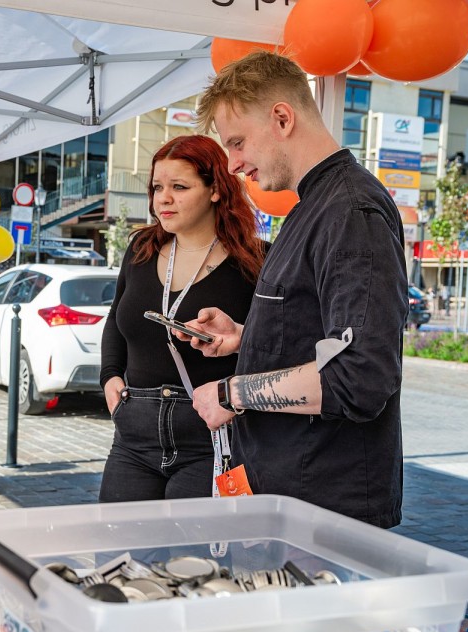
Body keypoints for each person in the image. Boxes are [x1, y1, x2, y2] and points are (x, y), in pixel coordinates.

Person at [183, 51, 407, 528]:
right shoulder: (314, 204)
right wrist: (248, 336)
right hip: (290, 497)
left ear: (281, 118)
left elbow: (359, 378)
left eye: (238, 142)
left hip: (322, 511)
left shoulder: (349, 212)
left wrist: (231, 392)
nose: (235, 163)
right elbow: (319, 329)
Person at [98, 135, 266, 502]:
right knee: (120, 552)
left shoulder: (255, 261)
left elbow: (271, 344)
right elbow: (116, 319)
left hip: (210, 433)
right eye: (157, 187)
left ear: (216, 190)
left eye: (179, 186)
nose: (164, 198)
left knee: (195, 557)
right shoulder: (142, 248)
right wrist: (109, 375)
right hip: (134, 432)